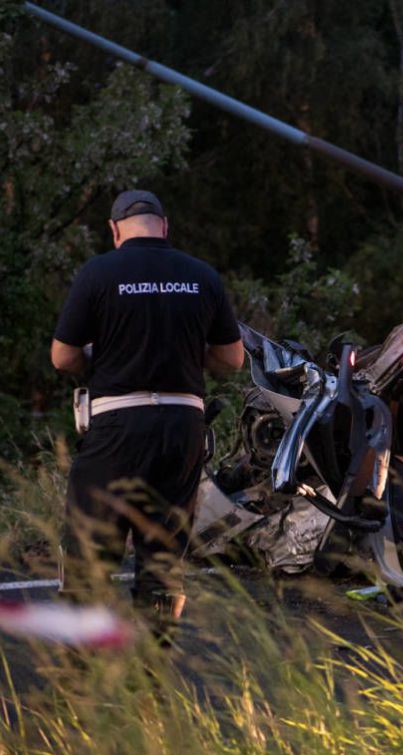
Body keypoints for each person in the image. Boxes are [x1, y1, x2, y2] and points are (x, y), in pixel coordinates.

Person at [51, 190, 244, 638]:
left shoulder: (99, 272)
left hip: (117, 425)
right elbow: (231, 360)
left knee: (90, 551)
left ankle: (83, 670)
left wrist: (94, 365)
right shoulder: (201, 275)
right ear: (165, 226)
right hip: (182, 427)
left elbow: (62, 357)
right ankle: (153, 668)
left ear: (115, 230)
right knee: (162, 557)